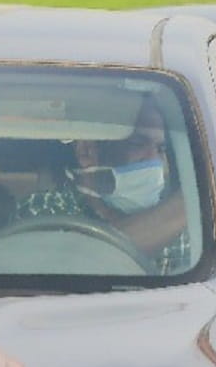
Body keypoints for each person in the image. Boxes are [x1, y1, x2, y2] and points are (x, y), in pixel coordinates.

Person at [14, 99, 194, 274]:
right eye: (137, 144)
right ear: (87, 151)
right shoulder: (44, 209)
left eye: (161, 149)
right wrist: (191, 203)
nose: (153, 159)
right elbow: (72, 265)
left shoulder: (179, 228)